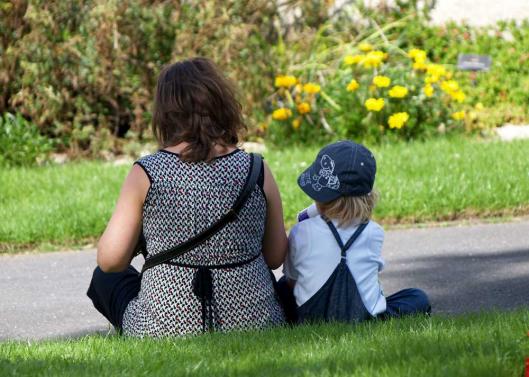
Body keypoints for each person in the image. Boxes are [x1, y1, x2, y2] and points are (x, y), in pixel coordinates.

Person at [87, 57, 287, 336]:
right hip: (255, 319)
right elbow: (276, 256)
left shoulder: (147, 172)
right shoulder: (256, 169)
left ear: (165, 113)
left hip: (163, 325)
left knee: (105, 279)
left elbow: (110, 261)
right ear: (221, 105)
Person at [282, 140, 431, 323]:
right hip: (363, 318)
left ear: (320, 197)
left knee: (282, 285)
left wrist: (310, 215)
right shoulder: (373, 233)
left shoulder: (301, 231)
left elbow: (293, 282)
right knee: (416, 297)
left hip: (311, 318)